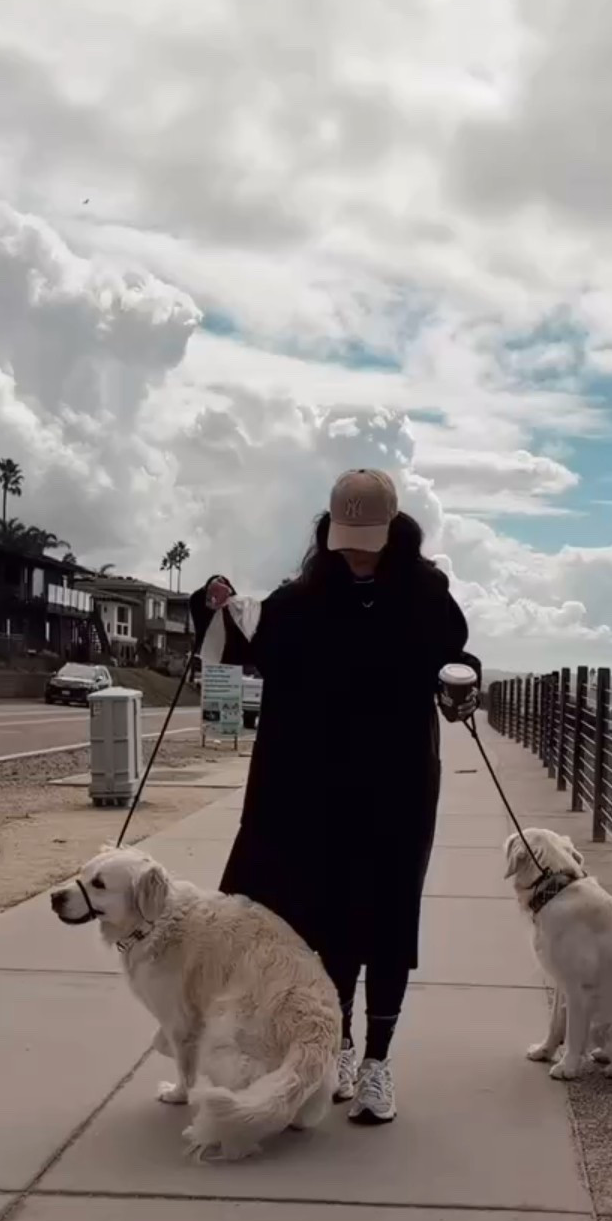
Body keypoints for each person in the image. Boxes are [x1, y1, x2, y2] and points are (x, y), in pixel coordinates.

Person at [188, 469, 480, 1124]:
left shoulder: (427, 595)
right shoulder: (302, 598)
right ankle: (340, 1044)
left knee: (390, 917)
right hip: (314, 787)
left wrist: (461, 687)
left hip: (399, 784)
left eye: (367, 539)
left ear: (394, 533)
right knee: (328, 917)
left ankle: (379, 1061)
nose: (354, 551)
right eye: (346, 538)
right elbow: (244, 644)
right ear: (328, 531)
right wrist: (217, 605)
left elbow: (456, 660)